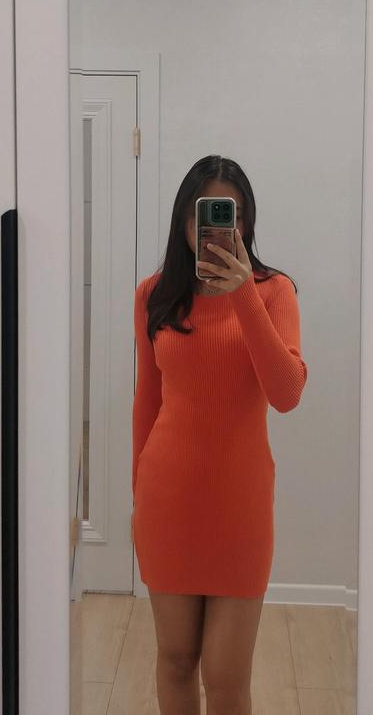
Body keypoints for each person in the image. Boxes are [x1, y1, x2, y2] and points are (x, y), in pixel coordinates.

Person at [132, 154, 308, 714]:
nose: (211, 227)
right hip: (167, 502)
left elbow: (286, 394)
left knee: (227, 679)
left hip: (240, 507)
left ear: (245, 222)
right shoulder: (154, 295)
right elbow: (147, 404)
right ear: (184, 220)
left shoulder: (274, 292)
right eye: (202, 213)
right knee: (175, 661)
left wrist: (243, 294)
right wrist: (136, 501)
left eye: (228, 214)